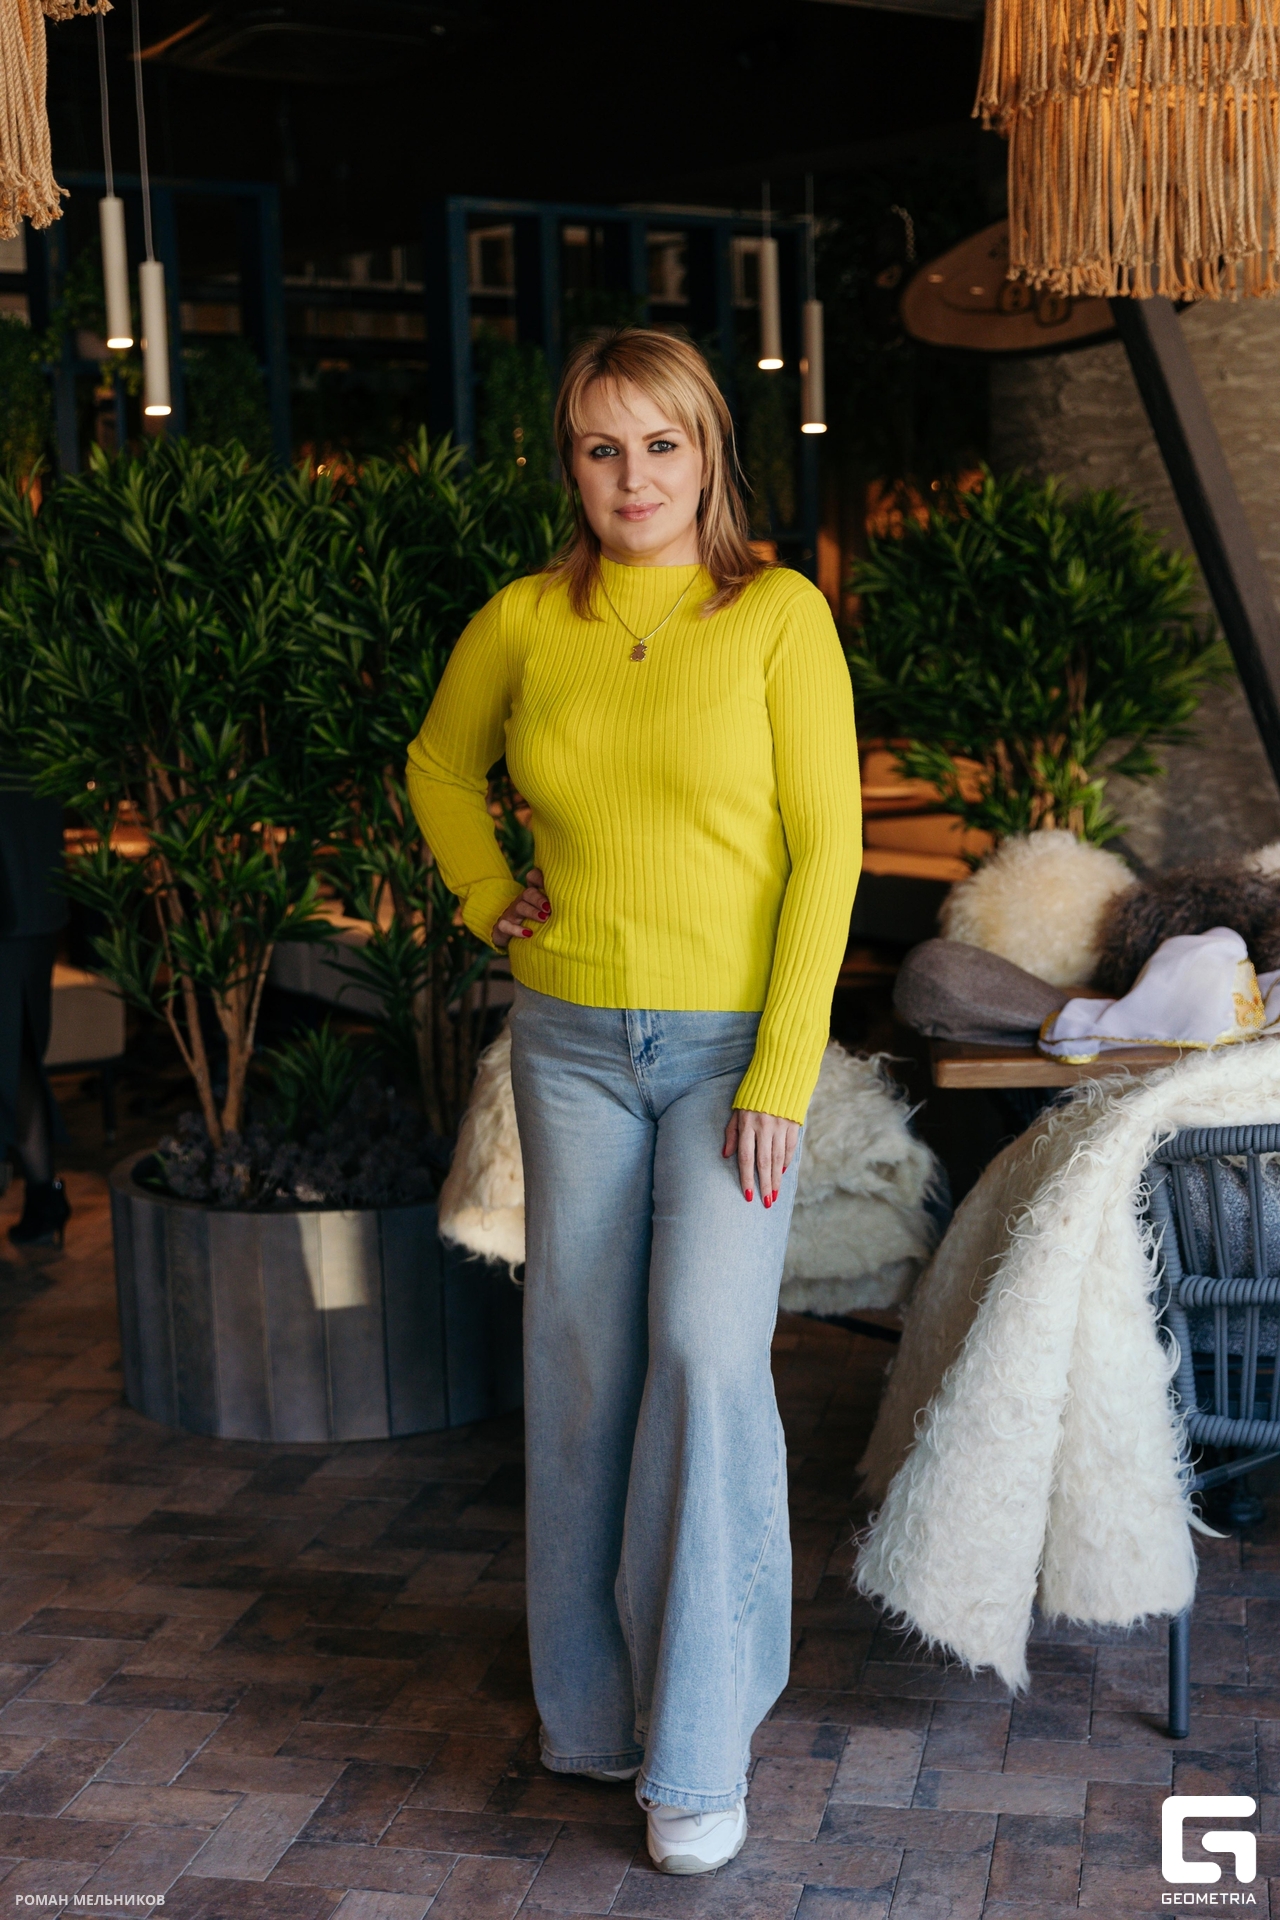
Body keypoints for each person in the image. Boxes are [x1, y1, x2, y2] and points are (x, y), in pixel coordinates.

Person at [407, 328, 860, 1875]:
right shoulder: (526, 619)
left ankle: (697, 1752)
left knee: (706, 1359)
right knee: (584, 1372)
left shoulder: (780, 616)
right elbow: (436, 767)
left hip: (732, 1057)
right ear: (572, 465)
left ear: (709, 451)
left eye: (661, 443)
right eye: (603, 449)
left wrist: (784, 1070)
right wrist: (490, 900)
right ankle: (592, 1718)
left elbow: (830, 853)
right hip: (571, 1046)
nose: (634, 476)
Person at [0, 792, 70, 1247]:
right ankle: (44, 1196)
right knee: (16, 1055)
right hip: (32, 901)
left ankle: (44, 1195)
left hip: (18, 906)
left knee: (11, 1057)